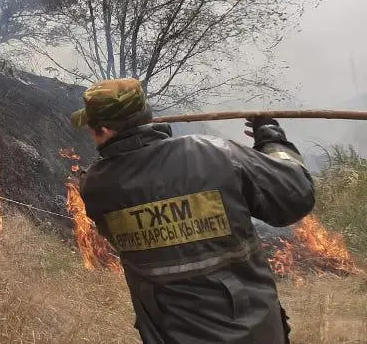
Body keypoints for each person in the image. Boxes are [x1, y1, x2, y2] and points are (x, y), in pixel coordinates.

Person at [72, 78, 315, 344]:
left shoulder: (96, 188)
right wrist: (271, 139)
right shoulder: (215, 154)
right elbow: (295, 194)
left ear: (104, 130)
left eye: (91, 128)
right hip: (254, 333)